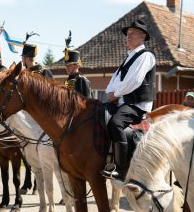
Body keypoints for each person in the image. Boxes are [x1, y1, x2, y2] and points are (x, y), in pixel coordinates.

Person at [101, 19, 156, 181]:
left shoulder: (146, 56)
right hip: (122, 101)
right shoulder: (129, 58)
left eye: (132, 34)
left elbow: (135, 80)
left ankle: (121, 168)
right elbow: (115, 79)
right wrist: (110, 92)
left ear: (143, 37)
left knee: (115, 123)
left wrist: (116, 94)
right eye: (127, 34)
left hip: (137, 105)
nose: (128, 37)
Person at [63, 31, 92, 98]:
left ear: (77, 65)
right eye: (66, 65)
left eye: (69, 65)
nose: (66, 68)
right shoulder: (67, 80)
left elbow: (85, 102)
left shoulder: (81, 80)